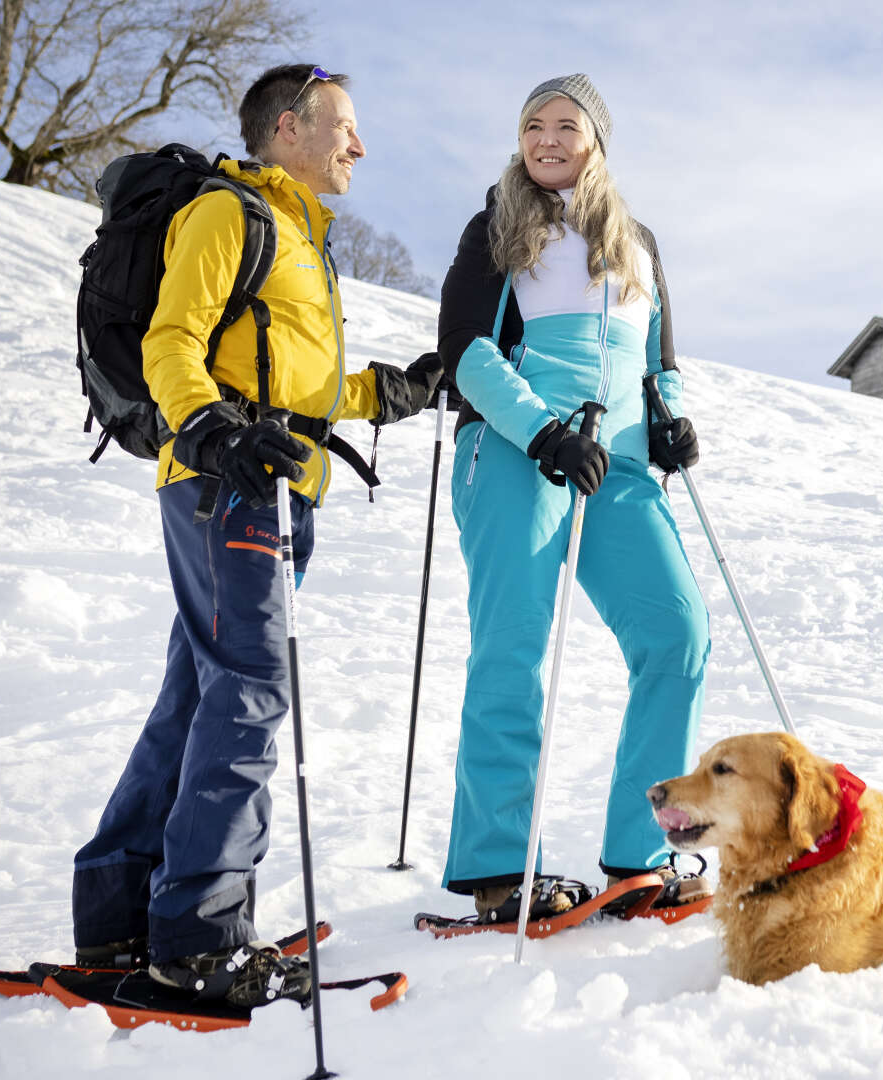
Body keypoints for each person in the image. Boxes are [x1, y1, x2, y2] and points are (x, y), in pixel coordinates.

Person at [70, 63, 439, 1006]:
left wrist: (385, 392)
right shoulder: (231, 215)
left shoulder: (302, 239)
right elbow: (171, 342)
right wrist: (211, 430)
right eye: (344, 126)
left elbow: (289, 384)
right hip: (228, 488)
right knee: (251, 690)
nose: (359, 145)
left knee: (200, 693)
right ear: (287, 128)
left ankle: (121, 915)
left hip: (273, 485)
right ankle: (197, 937)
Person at [436, 74, 711, 924]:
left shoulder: (639, 243)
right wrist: (543, 431)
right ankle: (499, 867)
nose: (547, 140)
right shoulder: (497, 227)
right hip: (521, 452)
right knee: (513, 647)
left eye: (566, 125)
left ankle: (643, 849)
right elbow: (465, 353)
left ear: (598, 140)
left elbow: (657, 359)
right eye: (532, 125)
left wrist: (666, 416)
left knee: (677, 635)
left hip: (618, 465)